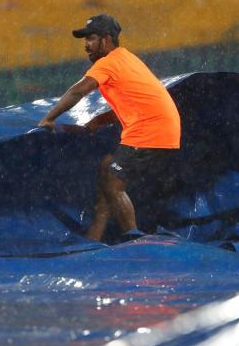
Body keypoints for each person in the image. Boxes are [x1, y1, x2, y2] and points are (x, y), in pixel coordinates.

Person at [38, 14, 181, 242]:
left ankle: (133, 240)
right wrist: (98, 121)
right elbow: (135, 103)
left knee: (113, 182)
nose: (86, 45)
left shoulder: (108, 63)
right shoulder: (127, 59)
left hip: (149, 132)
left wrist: (48, 119)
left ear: (106, 40)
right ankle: (96, 233)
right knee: (107, 165)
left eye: (91, 39)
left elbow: (78, 91)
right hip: (162, 129)